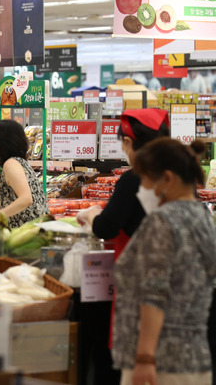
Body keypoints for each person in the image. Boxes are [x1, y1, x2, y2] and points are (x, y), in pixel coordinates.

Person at [75, 108, 170, 385]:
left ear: (129, 143)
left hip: (138, 282)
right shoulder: (175, 176)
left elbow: (107, 227)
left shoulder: (134, 178)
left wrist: (92, 214)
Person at [113, 138, 216, 385]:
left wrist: (145, 359)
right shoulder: (203, 216)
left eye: (145, 179)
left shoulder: (161, 222)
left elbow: (153, 293)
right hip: (194, 357)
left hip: (159, 364)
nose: (142, 188)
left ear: (167, 180)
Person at [0, 119, 48, 228]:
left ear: (1, 143)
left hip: (25, 231)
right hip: (34, 228)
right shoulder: (19, 162)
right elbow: (2, 204)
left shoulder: (11, 164)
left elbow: (26, 199)